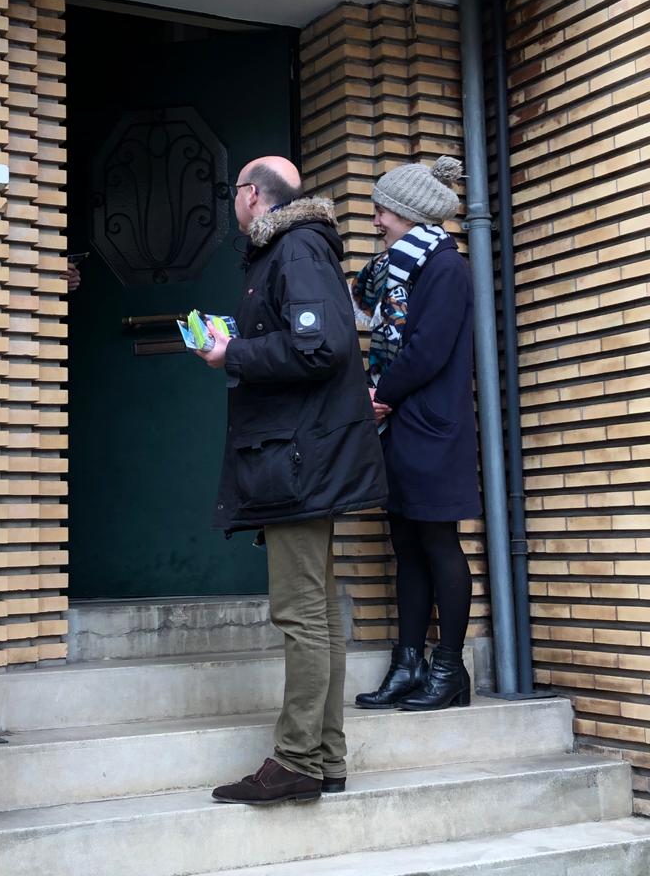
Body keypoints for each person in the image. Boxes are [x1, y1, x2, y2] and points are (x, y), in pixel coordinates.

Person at [197, 156, 387, 805]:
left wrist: (233, 354)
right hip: (301, 457)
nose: (235, 204)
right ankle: (325, 758)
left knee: (300, 613)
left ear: (251, 195)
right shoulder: (294, 251)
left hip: (297, 462)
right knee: (317, 614)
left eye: (236, 194)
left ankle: (298, 759)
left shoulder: (295, 249)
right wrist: (241, 345)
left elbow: (320, 348)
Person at [352, 156, 481, 713]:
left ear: (406, 213)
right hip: (402, 426)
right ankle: (408, 665)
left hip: (431, 427)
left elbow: (426, 349)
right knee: (405, 545)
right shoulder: (394, 270)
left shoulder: (446, 268)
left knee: (438, 542)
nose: (376, 219)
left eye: (382, 210)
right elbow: (365, 312)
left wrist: (380, 397)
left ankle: (448, 669)